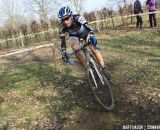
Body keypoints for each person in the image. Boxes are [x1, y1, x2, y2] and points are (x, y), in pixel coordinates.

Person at [58, 6, 110, 79]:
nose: (65, 22)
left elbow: (88, 26)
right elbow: (62, 42)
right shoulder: (62, 27)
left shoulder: (78, 17)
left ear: (71, 16)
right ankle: (87, 68)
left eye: (66, 18)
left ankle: (103, 67)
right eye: (62, 20)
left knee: (93, 47)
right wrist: (63, 53)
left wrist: (91, 35)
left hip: (84, 32)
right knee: (74, 47)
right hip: (74, 35)